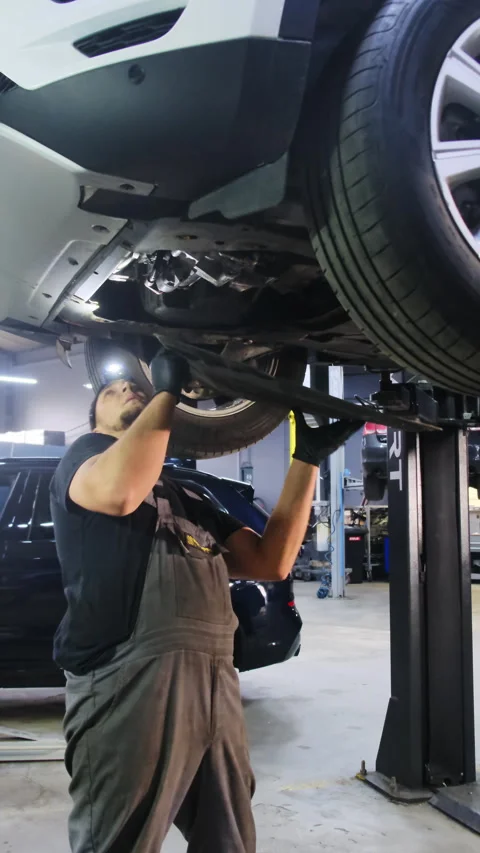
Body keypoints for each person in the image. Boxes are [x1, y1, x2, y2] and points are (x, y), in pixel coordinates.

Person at [50, 347, 360, 853]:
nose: (128, 388)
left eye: (136, 387)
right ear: (95, 420)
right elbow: (121, 494)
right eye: (110, 392)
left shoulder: (191, 494)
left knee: (229, 837)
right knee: (119, 839)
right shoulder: (84, 460)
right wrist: (168, 392)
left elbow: (271, 561)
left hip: (214, 682)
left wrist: (306, 460)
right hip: (128, 680)